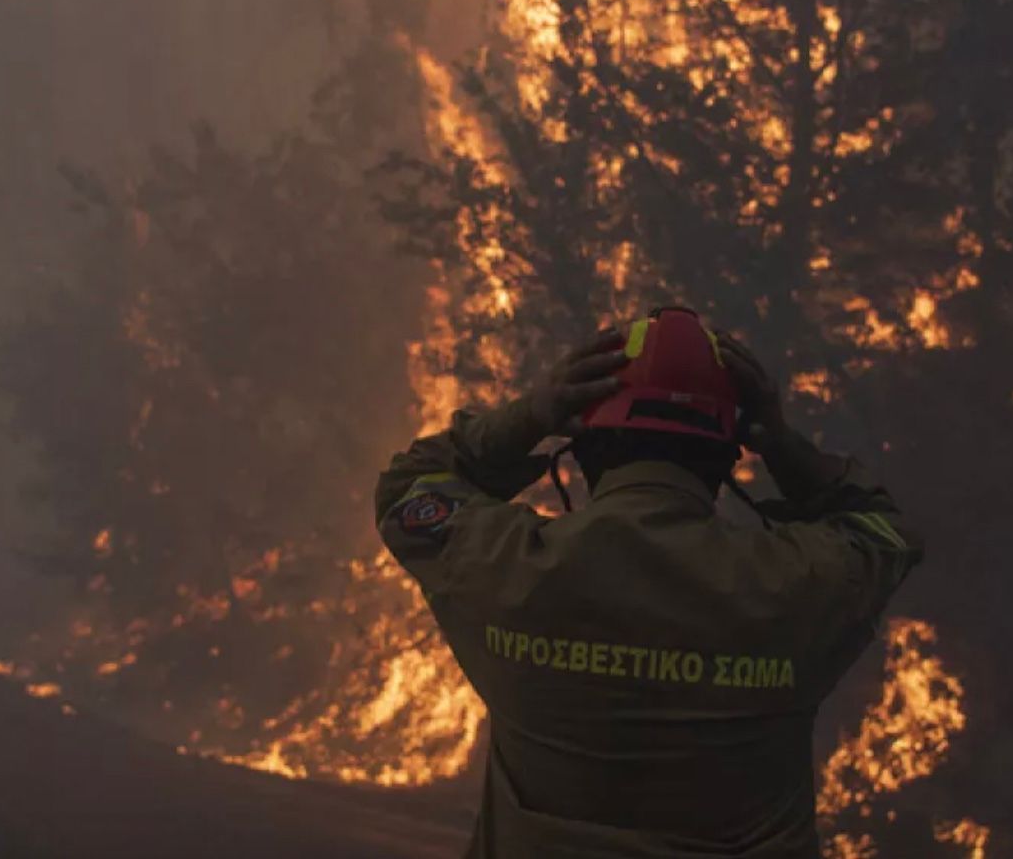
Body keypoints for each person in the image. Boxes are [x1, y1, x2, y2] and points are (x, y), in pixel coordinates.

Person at [375, 306, 924, 857]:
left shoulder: (505, 565)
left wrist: (531, 415)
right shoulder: (795, 584)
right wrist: (778, 440)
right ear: (724, 461)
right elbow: (882, 532)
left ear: (583, 449)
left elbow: (406, 489)